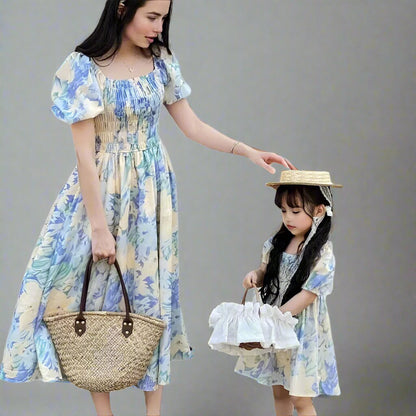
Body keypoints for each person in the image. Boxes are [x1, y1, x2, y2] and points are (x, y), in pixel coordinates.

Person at [0, 1, 294, 415]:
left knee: (149, 298)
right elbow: (85, 157)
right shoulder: (82, 67)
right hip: (99, 195)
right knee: (95, 297)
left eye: (164, 18)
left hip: (152, 196)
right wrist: (99, 228)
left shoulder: (160, 61)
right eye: (152, 16)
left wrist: (248, 151)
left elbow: (192, 126)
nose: (160, 27)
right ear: (123, 8)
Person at [237, 170, 342, 416]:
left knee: (300, 397)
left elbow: (308, 295)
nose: (288, 218)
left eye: (295, 211)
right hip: (277, 322)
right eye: (284, 211)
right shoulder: (277, 243)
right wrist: (255, 276)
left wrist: (277, 318)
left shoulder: (321, 252)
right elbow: (266, 270)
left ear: (318, 210)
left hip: (301, 328)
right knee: (280, 390)